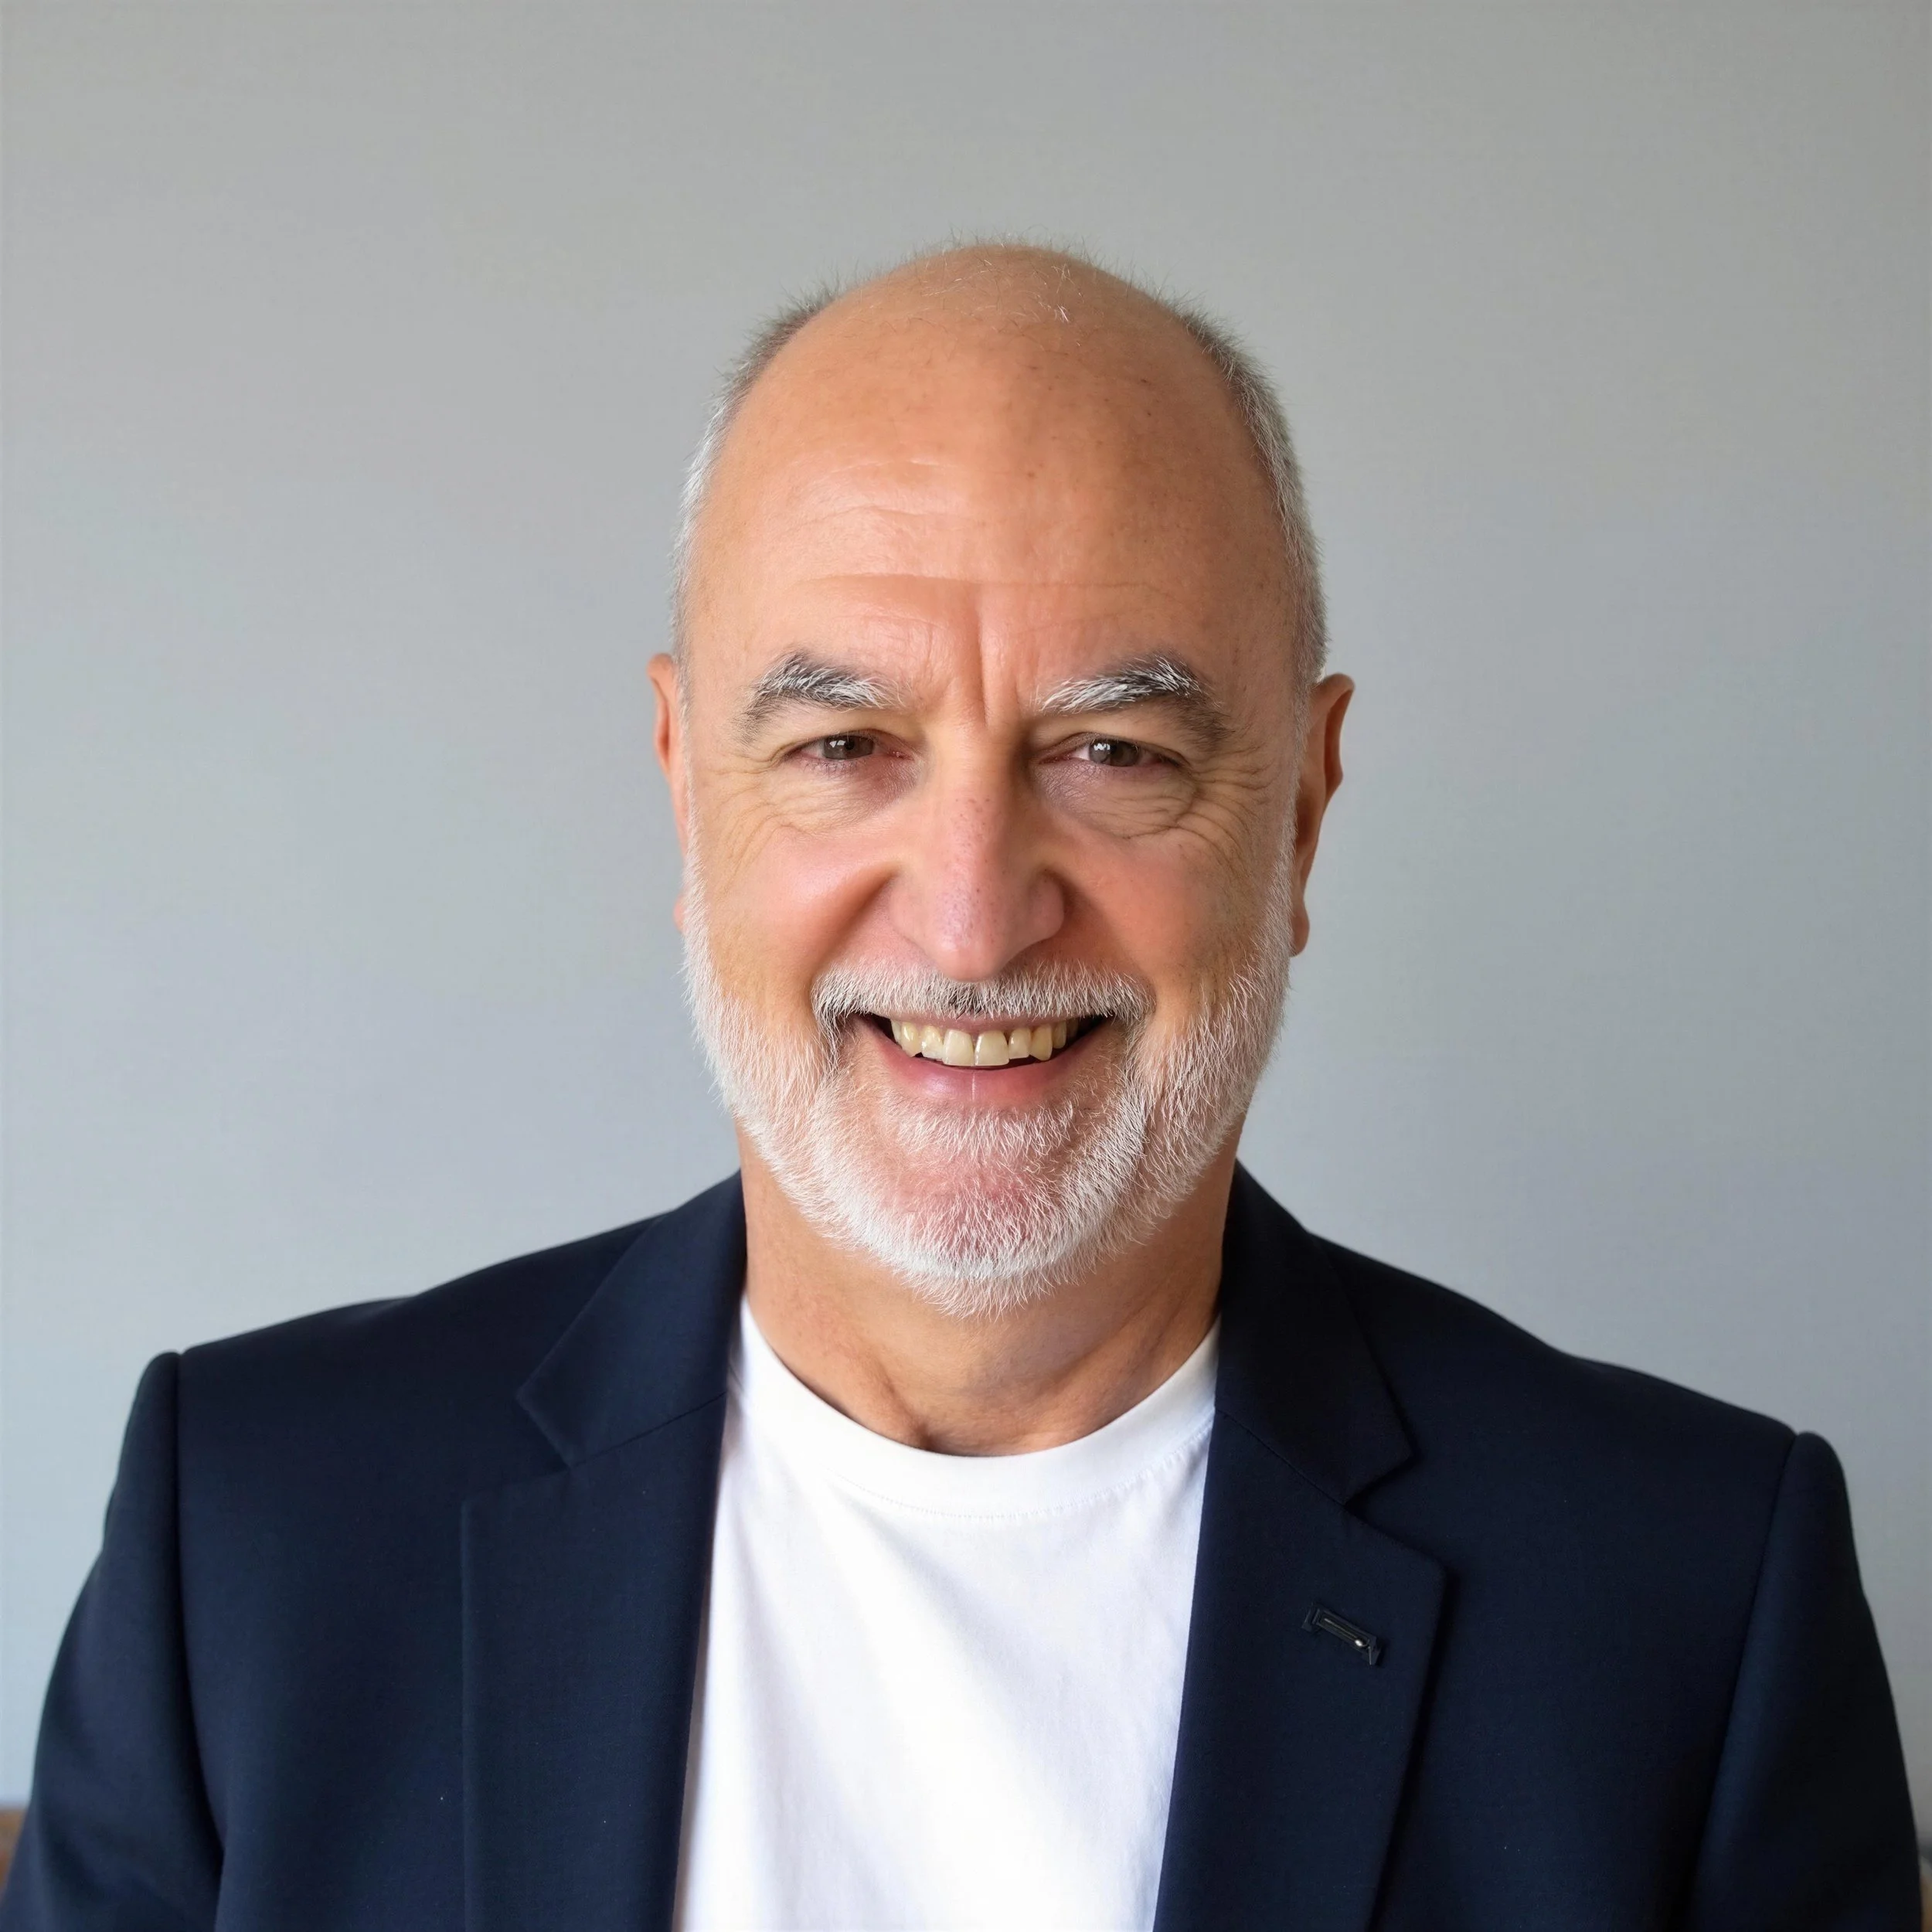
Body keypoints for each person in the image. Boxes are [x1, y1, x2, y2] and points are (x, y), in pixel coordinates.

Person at [1, 244, 1918, 1932]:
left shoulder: (1684, 1609)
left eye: (1110, 748)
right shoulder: (252, 1544)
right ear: (686, 783)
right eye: (845, 743)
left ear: (1307, 810)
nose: (975, 913)